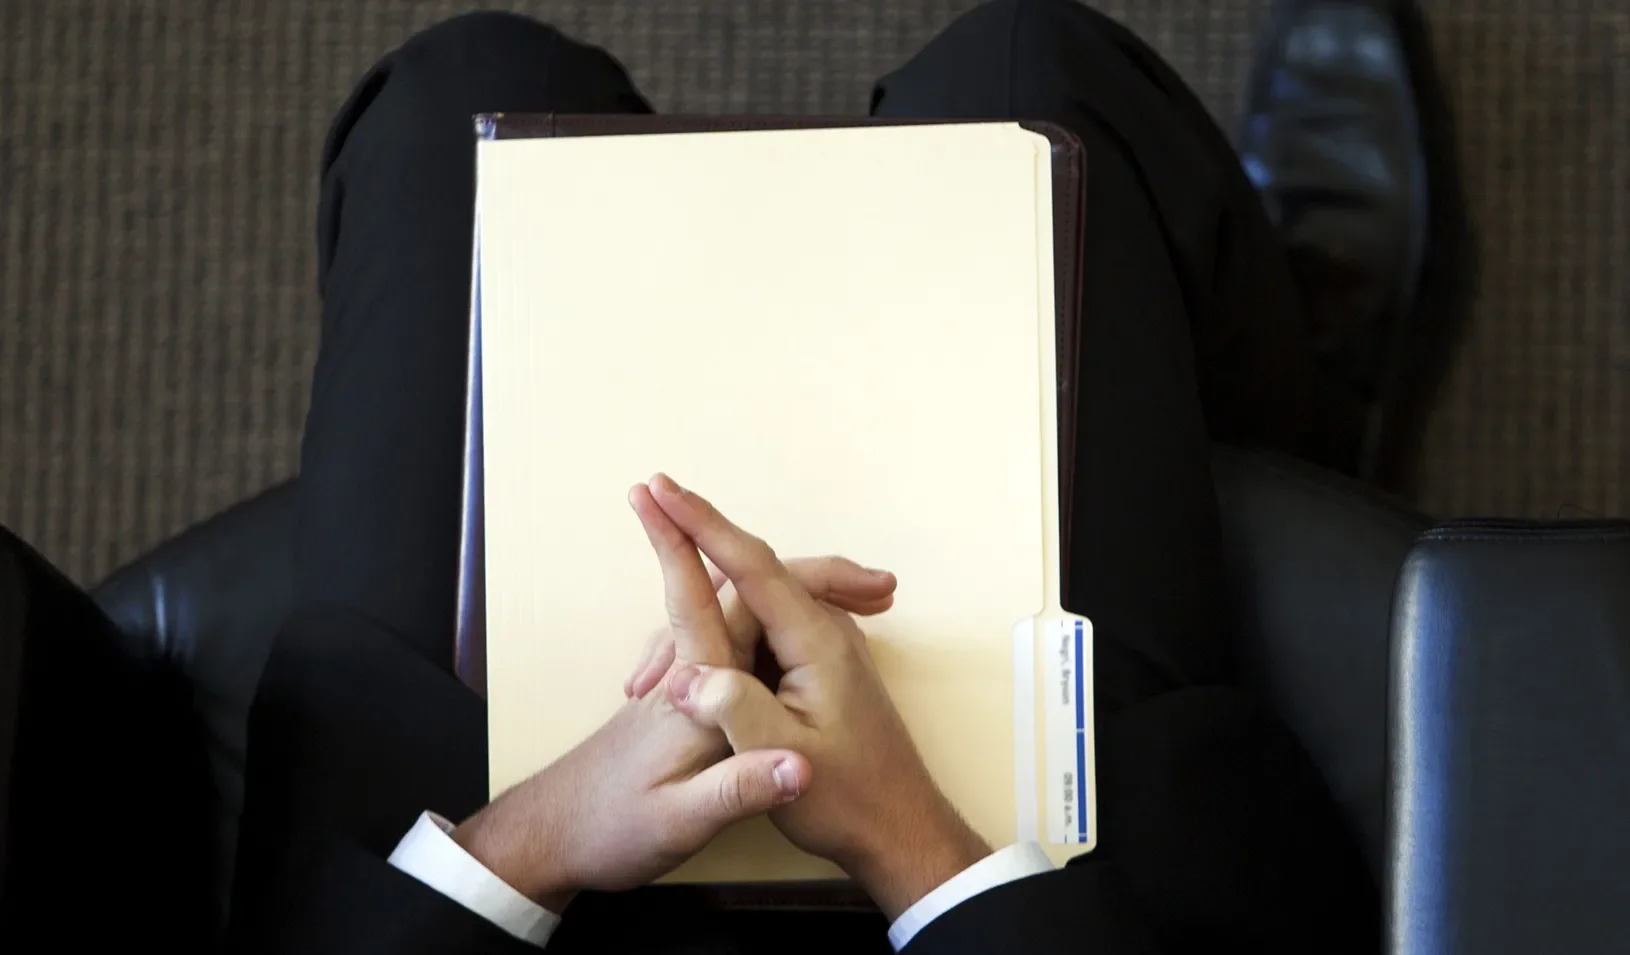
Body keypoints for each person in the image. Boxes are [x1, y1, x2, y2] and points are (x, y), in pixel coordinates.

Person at [224, 0, 1432, 952]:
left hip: (480, 892)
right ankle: (1299, 420)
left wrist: (527, 837)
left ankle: (1201, 395)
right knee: (1030, 78)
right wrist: (910, 839)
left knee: (466, 98)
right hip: (1051, 896)